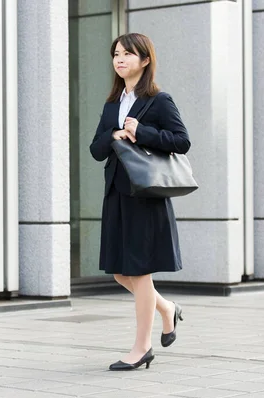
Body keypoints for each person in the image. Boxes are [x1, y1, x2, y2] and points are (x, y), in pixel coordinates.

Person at [89, 33, 190, 371]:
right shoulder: (111, 105)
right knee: (120, 272)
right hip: (117, 193)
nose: (119, 60)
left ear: (144, 60)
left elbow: (181, 141)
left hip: (145, 196)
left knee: (139, 271)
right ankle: (167, 309)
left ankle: (142, 347)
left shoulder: (158, 100)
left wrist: (141, 131)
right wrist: (114, 134)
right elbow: (95, 150)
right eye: (116, 54)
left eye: (127, 54)